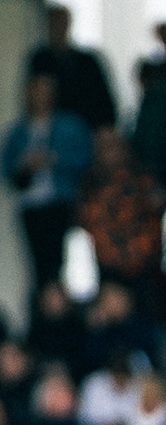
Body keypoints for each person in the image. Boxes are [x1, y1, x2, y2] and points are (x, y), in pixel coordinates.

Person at [3, 72, 93, 296]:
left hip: (62, 201)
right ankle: (44, 311)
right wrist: (24, 165)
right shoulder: (18, 131)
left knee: (66, 263)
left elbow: (84, 158)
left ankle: (64, 310)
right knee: (38, 267)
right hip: (31, 204)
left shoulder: (70, 125)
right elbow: (7, 168)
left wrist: (53, 159)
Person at [26, 5, 117, 131]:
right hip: (49, 131)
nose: (59, 28)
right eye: (55, 23)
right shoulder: (40, 61)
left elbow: (103, 103)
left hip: (87, 130)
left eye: (62, 22)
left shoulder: (87, 62)